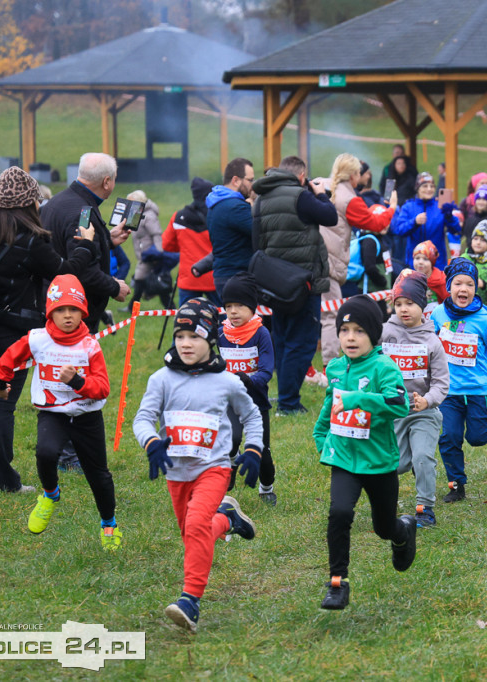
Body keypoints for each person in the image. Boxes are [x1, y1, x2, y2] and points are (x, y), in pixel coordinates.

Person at [0, 167, 98, 493]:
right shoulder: (29, 240)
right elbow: (66, 276)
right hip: (11, 333)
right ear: (29, 203)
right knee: (1, 404)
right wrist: (86, 245)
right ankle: (1, 480)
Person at [133, 297, 264, 632]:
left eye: (194, 337)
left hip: (214, 468)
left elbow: (251, 416)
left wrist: (253, 450)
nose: (186, 344)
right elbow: (143, 418)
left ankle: (189, 601)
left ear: (211, 340)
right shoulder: (161, 379)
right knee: (194, 534)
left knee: (195, 528)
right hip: (177, 472)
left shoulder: (226, 382)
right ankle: (228, 519)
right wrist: (151, 443)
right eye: (180, 337)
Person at [0, 274, 118, 547]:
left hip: (86, 415)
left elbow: (103, 387)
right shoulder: (37, 339)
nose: (68, 316)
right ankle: (50, 495)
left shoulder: (89, 345)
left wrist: (78, 382)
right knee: (46, 453)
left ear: (83, 311)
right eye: (60, 310)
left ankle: (108, 523)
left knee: (98, 475)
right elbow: (10, 357)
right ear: (50, 312)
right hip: (53, 413)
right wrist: (0, 382)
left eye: (73, 309)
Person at [313, 294, 417, 610]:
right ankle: (337, 583)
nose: (350, 338)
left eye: (359, 331)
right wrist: (322, 439)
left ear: (373, 334)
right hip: (344, 457)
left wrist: (360, 399)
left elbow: (398, 404)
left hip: (378, 461)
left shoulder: (384, 367)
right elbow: (330, 405)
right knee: (340, 513)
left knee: (383, 527)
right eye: (344, 331)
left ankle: (403, 532)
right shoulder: (335, 368)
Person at [251, 156, 337, 416]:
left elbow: (256, 243)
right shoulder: (301, 196)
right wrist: (321, 194)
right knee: (303, 342)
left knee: (283, 339)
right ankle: (288, 402)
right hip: (303, 282)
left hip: (274, 282)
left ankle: (285, 395)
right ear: (302, 176)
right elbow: (330, 216)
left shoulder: (261, 198)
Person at [430, 258, 487, 502]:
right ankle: (456, 485)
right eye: (457, 283)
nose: (463, 289)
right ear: (449, 286)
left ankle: (486, 421)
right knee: (449, 436)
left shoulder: (484, 318)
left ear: (475, 288)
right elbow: (429, 346)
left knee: (477, 438)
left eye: (469, 284)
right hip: (448, 391)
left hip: (478, 389)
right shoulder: (437, 314)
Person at [381, 271, 449, 528]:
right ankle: (412, 466)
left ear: (423, 305)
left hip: (424, 413)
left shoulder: (433, 341)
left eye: (410, 303)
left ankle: (425, 508)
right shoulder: (384, 333)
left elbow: (442, 382)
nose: (403, 309)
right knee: (395, 465)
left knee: (422, 457)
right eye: (398, 304)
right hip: (392, 413)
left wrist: (428, 401)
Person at [40, 152, 131, 333]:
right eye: (114, 179)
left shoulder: (59, 201)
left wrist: (107, 241)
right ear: (106, 182)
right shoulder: (82, 213)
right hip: (72, 314)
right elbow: (83, 270)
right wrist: (114, 288)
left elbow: (68, 247)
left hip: (52, 303)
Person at [324, 153, 397, 365]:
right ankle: (329, 364)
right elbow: (373, 222)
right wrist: (391, 207)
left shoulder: (325, 187)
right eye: (358, 173)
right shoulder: (350, 199)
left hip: (321, 259)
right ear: (354, 175)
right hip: (331, 261)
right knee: (330, 316)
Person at [217, 273, 277, 505]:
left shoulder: (261, 334)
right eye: (228, 306)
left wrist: (249, 380)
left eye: (240, 305)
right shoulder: (220, 333)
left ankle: (266, 487)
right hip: (228, 401)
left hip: (255, 402)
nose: (233, 311)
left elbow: (266, 371)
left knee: (261, 452)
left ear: (253, 307)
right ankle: (231, 461)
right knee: (230, 438)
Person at [163, 177, 219, 306]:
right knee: (224, 321)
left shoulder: (178, 217)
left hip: (189, 277)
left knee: (186, 321)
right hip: (213, 277)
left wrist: (183, 246)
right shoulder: (217, 215)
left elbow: (166, 244)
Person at [390, 171, 460, 270]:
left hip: (437, 264)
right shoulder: (408, 207)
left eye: (431, 186)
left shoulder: (440, 207)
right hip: (414, 263)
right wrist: (414, 222)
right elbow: (399, 230)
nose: (429, 189)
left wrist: (450, 216)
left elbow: (456, 230)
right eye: (425, 186)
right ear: (418, 188)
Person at [207, 157, 255, 299]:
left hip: (225, 274)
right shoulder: (235, 207)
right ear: (236, 180)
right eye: (250, 180)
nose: (253, 185)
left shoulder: (217, 202)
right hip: (237, 276)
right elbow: (261, 233)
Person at [125, 190, 169, 308]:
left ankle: (131, 307)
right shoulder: (136, 213)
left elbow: (156, 234)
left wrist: (158, 253)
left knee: (139, 279)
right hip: (144, 254)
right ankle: (171, 308)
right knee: (156, 283)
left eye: (130, 202)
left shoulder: (149, 216)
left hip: (150, 254)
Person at [461, 220, 487, 298]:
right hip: (465, 303)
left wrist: (484, 284)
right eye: (475, 238)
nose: (478, 242)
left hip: (486, 305)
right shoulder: (464, 258)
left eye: (483, 240)